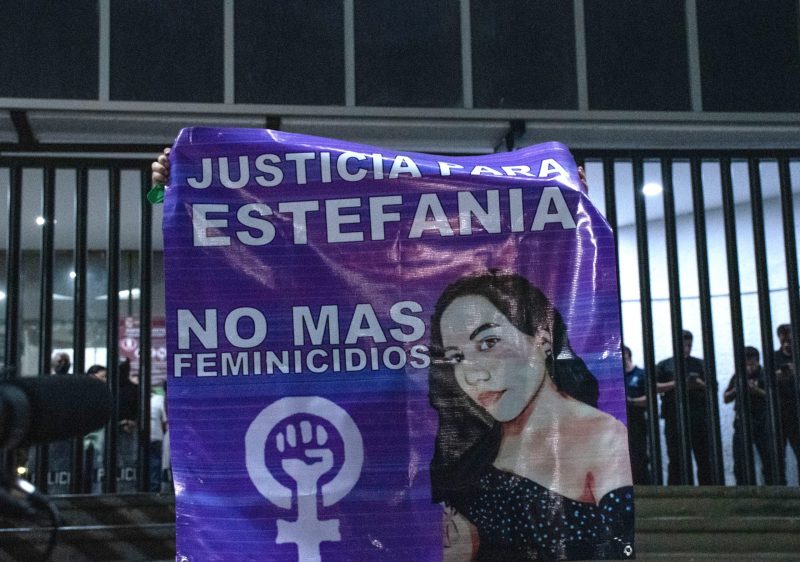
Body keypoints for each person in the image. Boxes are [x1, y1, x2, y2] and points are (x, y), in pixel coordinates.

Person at [429, 271, 633, 560]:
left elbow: (619, 547)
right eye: (456, 357)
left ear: (542, 340)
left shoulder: (602, 438)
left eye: (488, 343)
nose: (474, 374)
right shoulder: (470, 455)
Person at [656, 330, 712, 485]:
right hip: (673, 417)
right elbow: (653, 387)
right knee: (676, 458)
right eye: (683, 345)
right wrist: (678, 383)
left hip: (699, 418)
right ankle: (676, 495)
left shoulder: (701, 363)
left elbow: (713, 387)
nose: (687, 349)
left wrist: (698, 383)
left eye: (689, 345)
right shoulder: (664, 364)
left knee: (704, 458)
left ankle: (707, 495)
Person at [724, 346, 776, 484]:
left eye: (752, 364)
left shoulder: (766, 374)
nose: (749, 368)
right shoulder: (738, 375)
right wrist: (737, 389)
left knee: (770, 461)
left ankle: (772, 492)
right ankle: (743, 492)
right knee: (740, 463)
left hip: (763, 421)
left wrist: (756, 390)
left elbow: (774, 398)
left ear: (758, 362)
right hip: (742, 420)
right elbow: (726, 398)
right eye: (746, 364)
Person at [774, 324, 799, 482]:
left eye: (789, 337)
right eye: (783, 338)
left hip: (796, 412)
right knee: (777, 457)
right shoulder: (773, 357)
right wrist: (776, 376)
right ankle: (779, 489)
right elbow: (766, 380)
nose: (787, 341)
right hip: (779, 411)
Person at [623, 346, 651, 485]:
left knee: (639, 458)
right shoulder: (617, 377)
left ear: (628, 355)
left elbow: (650, 400)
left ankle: (644, 489)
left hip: (637, 423)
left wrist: (631, 401)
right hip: (620, 425)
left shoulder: (641, 374)